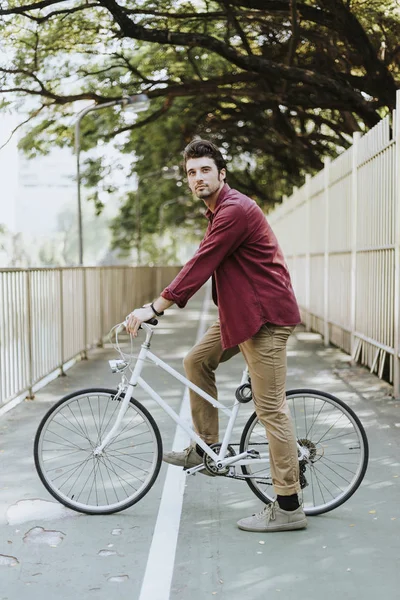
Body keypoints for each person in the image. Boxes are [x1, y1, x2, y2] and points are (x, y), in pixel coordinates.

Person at [126, 139, 306, 533]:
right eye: (191, 172)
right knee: (196, 360)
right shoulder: (218, 212)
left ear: (221, 174)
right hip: (239, 317)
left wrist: (155, 307)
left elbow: (201, 263)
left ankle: (289, 504)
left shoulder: (235, 210)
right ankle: (206, 448)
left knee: (270, 409)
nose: (198, 177)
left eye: (205, 170)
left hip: (265, 320)